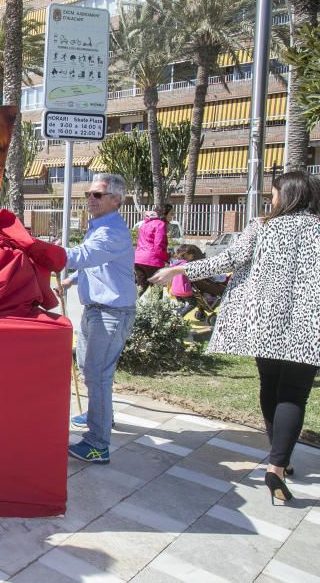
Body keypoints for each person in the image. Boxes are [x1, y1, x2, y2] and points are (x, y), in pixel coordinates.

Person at [151, 171, 320, 504]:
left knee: (270, 386)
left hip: (264, 322)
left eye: (273, 194)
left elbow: (227, 259)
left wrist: (178, 270)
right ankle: (278, 463)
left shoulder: (262, 226)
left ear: (287, 196)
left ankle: (279, 458)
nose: (270, 200)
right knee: (294, 394)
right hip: (307, 323)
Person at [58, 173, 136, 465]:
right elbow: (101, 266)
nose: (90, 199)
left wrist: (42, 252)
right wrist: (72, 281)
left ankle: (97, 444)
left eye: (97, 195)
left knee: (98, 376)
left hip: (111, 313)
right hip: (98, 310)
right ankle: (100, 415)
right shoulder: (101, 227)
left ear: (117, 200)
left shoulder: (111, 231)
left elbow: (84, 256)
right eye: (88, 194)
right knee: (90, 370)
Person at [134, 204, 172, 294]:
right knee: (157, 290)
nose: (172, 216)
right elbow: (159, 246)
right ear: (164, 214)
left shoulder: (144, 224)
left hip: (138, 259)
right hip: (152, 260)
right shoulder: (160, 224)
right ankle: (157, 308)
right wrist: (167, 258)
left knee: (141, 288)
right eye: (171, 214)